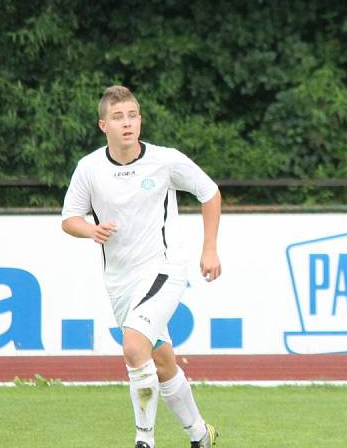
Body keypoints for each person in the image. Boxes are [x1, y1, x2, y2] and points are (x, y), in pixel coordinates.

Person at [62, 85, 221, 448]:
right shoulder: (89, 168)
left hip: (163, 270)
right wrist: (91, 229)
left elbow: (210, 192)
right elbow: (69, 218)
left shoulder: (164, 160)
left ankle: (143, 441)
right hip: (119, 282)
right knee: (161, 362)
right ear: (104, 125)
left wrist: (209, 248)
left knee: (134, 347)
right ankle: (200, 434)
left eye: (132, 115)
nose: (127, 123)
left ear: (140, 120)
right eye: (118, 117)